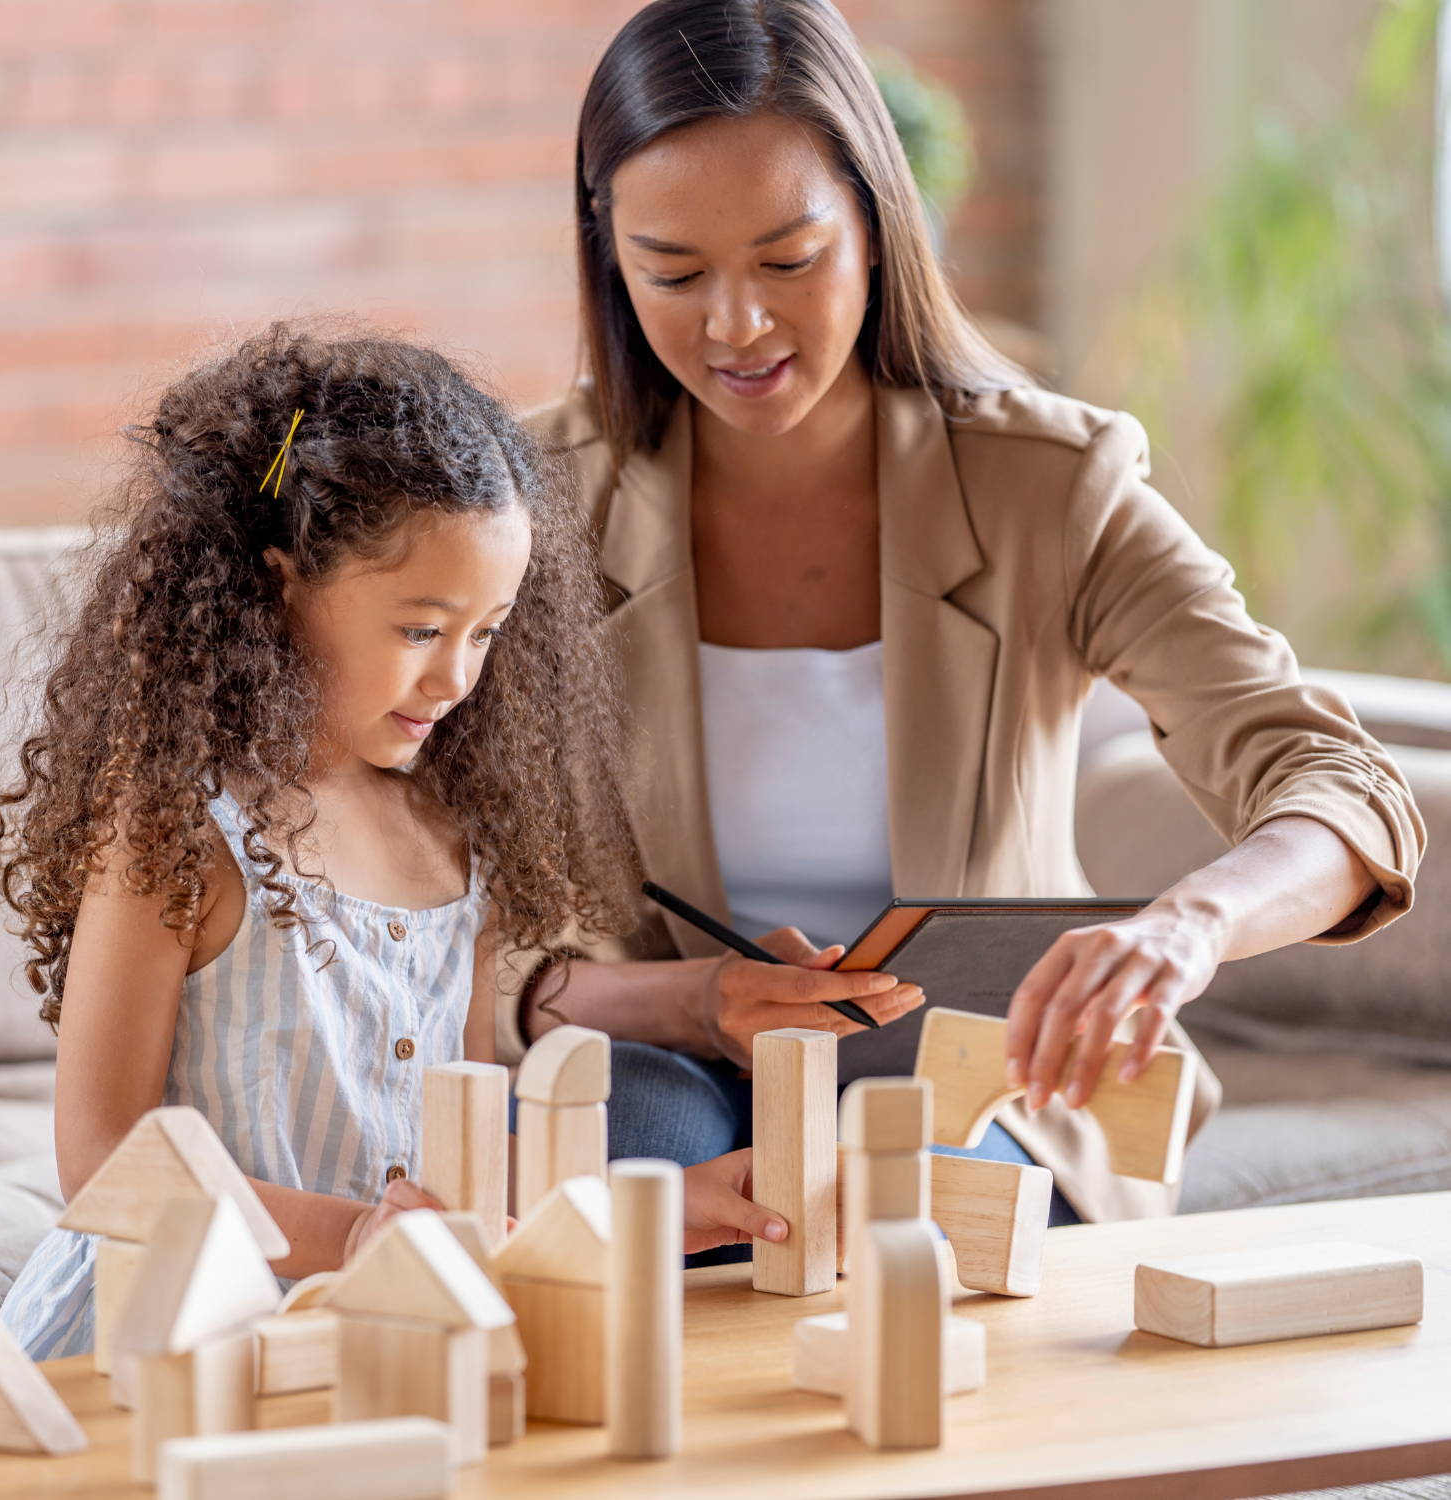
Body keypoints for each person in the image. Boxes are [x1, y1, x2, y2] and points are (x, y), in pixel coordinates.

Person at [514, 0, 1425, 1228]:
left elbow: (1338, 784)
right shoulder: (530, 505)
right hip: (656, 1048)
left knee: (929, 1230)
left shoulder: (1048, 487)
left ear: (880, 230)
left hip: (971, 1069)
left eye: (789, 259)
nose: (736, 324)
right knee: (643, 1189)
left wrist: (1186, 927)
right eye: (674, 271)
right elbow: (430, 919)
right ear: (609, 252)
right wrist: (695, 1001)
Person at [0, 323, 783, 1358]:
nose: (458, 677)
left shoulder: (457, 841)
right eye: (420, 629)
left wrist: (658, 1208)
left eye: (487, 631)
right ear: (277, 585)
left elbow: (458, 1167)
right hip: (168, 1328)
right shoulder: (177, 827)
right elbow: (104, 1158)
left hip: (380, 1330)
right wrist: (355, 1236)